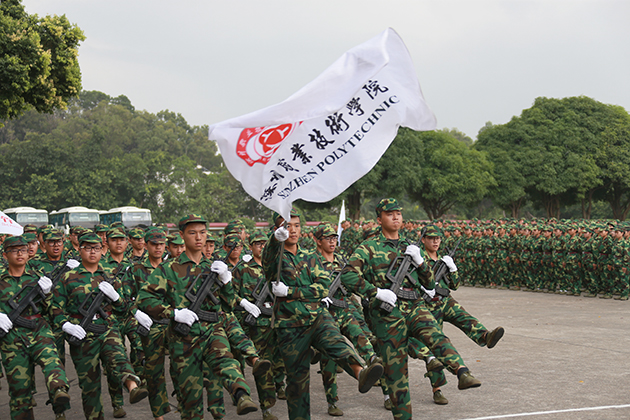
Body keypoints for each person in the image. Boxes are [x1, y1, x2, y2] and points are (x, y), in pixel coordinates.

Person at [340, 198, 481, 420]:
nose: (395, 217)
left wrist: (421, 262)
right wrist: (374, 291)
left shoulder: (411, 247)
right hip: (387, 316)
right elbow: (347, 275)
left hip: (414, 305)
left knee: (436, 335)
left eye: (398, 213)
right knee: (397, 376)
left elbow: (430, 283)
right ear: (379, 219)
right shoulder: (368, 247)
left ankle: (462, 373)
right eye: (389, 214)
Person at [262, 209, 384, 420]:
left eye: (297, 225)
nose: (292, 230)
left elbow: (321, 289)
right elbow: (267, 259)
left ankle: (360, 372)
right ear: (278, 229)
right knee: (297, 384)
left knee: (336, 342)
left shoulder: (311, 257)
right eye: (287, 225)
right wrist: (274, 240)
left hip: (316, 317)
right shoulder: (276, 260)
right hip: (289, 327)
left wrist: (291, 292)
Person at [137, 214, 258, 420]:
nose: (199, 238)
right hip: (183, 341)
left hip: (212, 330)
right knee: (190, 402)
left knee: (226, 362)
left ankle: (241, 395)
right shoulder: (169, 269)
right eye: (192, 233)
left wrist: (226, 280)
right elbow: (145, 298)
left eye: (202, 232)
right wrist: (173, 313)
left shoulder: (213, 267)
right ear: (182, 236)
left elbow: (228, 304)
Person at [52, 232, 148, 420]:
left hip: (107, 328)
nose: (92, 252)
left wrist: (116, 297)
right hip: (82, 334)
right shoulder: (68, 277)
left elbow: (125, 308)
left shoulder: (110, 275)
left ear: (102, 250)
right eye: (87, 248)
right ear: (79, 250)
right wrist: (66, 325)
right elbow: (55, 308)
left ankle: (132, 386)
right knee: (90, 387)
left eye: (96, 248)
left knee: (118, 357)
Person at [418, 225, 504, 405]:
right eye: (431, 238)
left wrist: (453, 268)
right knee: (436, 345)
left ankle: (485, 336)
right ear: (423, 239)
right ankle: (437, 390)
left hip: (445, 299)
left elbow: (455, 285)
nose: (435, 241)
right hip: (427, 305)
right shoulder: (418, 258)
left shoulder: (443, 260)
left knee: (464, 316)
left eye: (438, 238)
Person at [0, 236, 72, 420]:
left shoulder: (37, 277)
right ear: (5, 254)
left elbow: (49, 309)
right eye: (15, 250)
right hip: (11, 339)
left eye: (23, 250)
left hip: (38, 329)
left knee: (52, 362)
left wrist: (47, 294)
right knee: (20, 392)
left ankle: (59, 392)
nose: (19, 254)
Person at [233, 231, 284, 420]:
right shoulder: (243, 269)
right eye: (258, 244)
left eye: (265, 244)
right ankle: (265, 406)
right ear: (251, 246)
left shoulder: (279, 267)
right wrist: (244, 304)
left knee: (279, 363)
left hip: (277, 323)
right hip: (255, 326)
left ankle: (275, 395)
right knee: (263, 366)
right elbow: (231, 294)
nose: (262, 247)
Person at [129, 229, 172, 420]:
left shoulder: (172, 267)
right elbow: (124, 297)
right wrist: (136, 312)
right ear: (146, 245)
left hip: (173, 324)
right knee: (154, 374)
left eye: (161, 244)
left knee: (181, 369)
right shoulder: (136, 269)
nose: (158, 248)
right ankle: (159, 415)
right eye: (154, 244)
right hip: (150, 326)